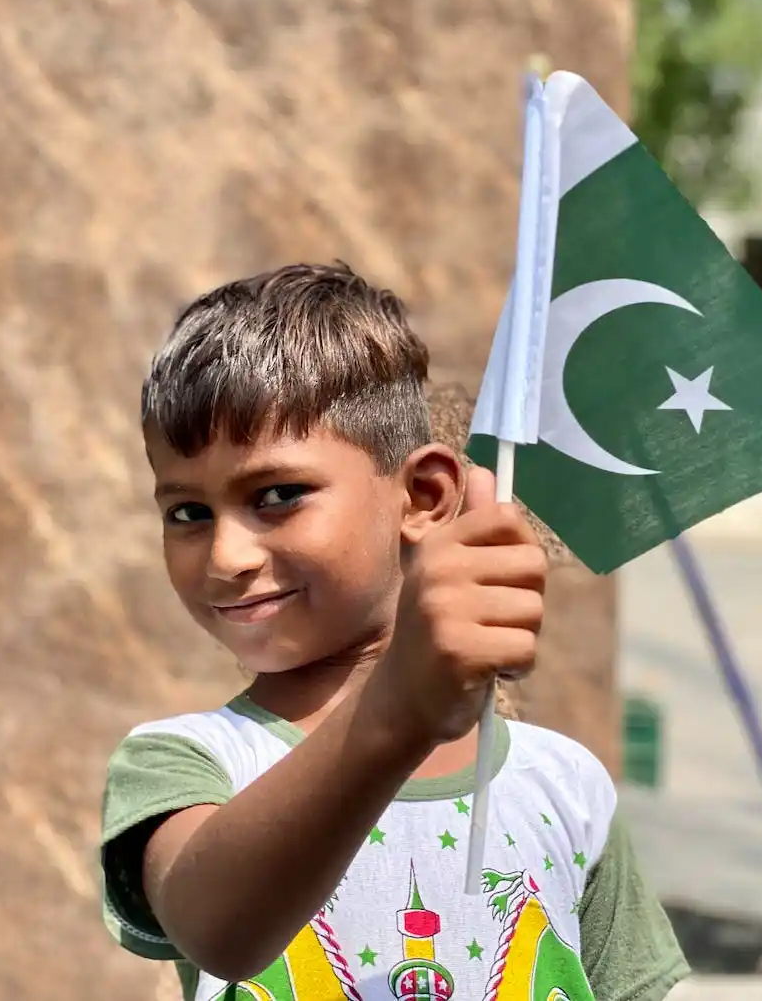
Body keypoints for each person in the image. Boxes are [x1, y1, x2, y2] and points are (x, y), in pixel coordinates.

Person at [101, 262, 689, 1001]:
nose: (227, 557)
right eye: (187, 512)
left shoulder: (564, 786)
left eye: (277, 495)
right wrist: (399, 706)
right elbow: (221, 932)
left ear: (422, 496)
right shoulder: (185, 763)